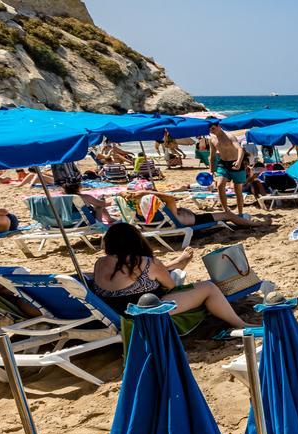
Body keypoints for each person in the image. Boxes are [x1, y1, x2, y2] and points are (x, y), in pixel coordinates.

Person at [91, 223, 251, 328]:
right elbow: (172, 287)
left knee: (160, 277)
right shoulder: (147, 262)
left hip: (115, 312)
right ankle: (241, 324)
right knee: (208, 287)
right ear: (135, 240)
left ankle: (176, 264)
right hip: (144, 312)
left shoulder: (100, 262)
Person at [120, 190, 270, 228]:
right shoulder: (169, 210)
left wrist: (135, 195)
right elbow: (171, 198)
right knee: (227, 214)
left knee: (223, 216)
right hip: (192, 222)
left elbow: (120, 196)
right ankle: (256, 224)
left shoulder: (140, 212)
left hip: (160, 227)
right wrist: (148, 193)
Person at [208, 121, 250, 215]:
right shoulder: (211, 139)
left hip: (236, 163)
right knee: (219, 185)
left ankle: (240, 213)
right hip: (223, 164)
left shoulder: (229, 136)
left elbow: (240, 149)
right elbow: (212, 156)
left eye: (213, 128)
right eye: (210, 129)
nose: (211, 131)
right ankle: (226, 210)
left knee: (237, 190)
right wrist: (211, 170)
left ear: (218, 126)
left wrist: (239, 162)